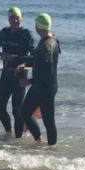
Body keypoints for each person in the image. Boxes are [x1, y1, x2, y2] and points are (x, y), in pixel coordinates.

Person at [0, 6, 35, 138]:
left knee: (17, 111)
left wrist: (22, 62)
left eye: (17, 18)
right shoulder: (4, 33)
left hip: (20, 75)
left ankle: (18, 139)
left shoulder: (26, 34)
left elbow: (34, 57)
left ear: (20, 18)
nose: (15, 20)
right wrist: (1, 55)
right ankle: (8, 132)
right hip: (6, 74)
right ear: (8, 19)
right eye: (12, 18)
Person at [21, 13, 62, 145]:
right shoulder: (49, 40)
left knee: (49, 121)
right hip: (39, 86)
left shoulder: (47, 45)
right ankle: (39, 140)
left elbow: (47, 71)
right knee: (25, 112)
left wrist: (29, 81)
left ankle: (52, 150)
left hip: (46, 87)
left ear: (38, 26)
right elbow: (38, 61)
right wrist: (27, 63)